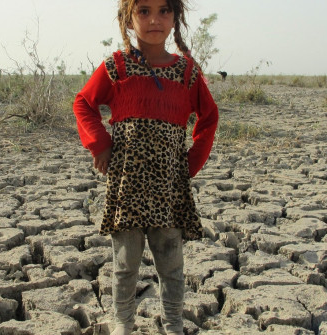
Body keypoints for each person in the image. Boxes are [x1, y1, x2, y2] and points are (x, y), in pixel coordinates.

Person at [72, 0, 218, 334]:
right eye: (144, 10)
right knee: (125, 264)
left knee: (171, 263)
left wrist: (189, 163)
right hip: (127, 186)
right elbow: (83, 104)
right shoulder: (117, 68)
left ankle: (173, 323)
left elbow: (209, 118)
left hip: (169, 187)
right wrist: (100, 143)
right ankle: (122, 322)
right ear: (128, 18)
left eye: (164, 10)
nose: (155, 19)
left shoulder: (187, 73)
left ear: (175, 19)